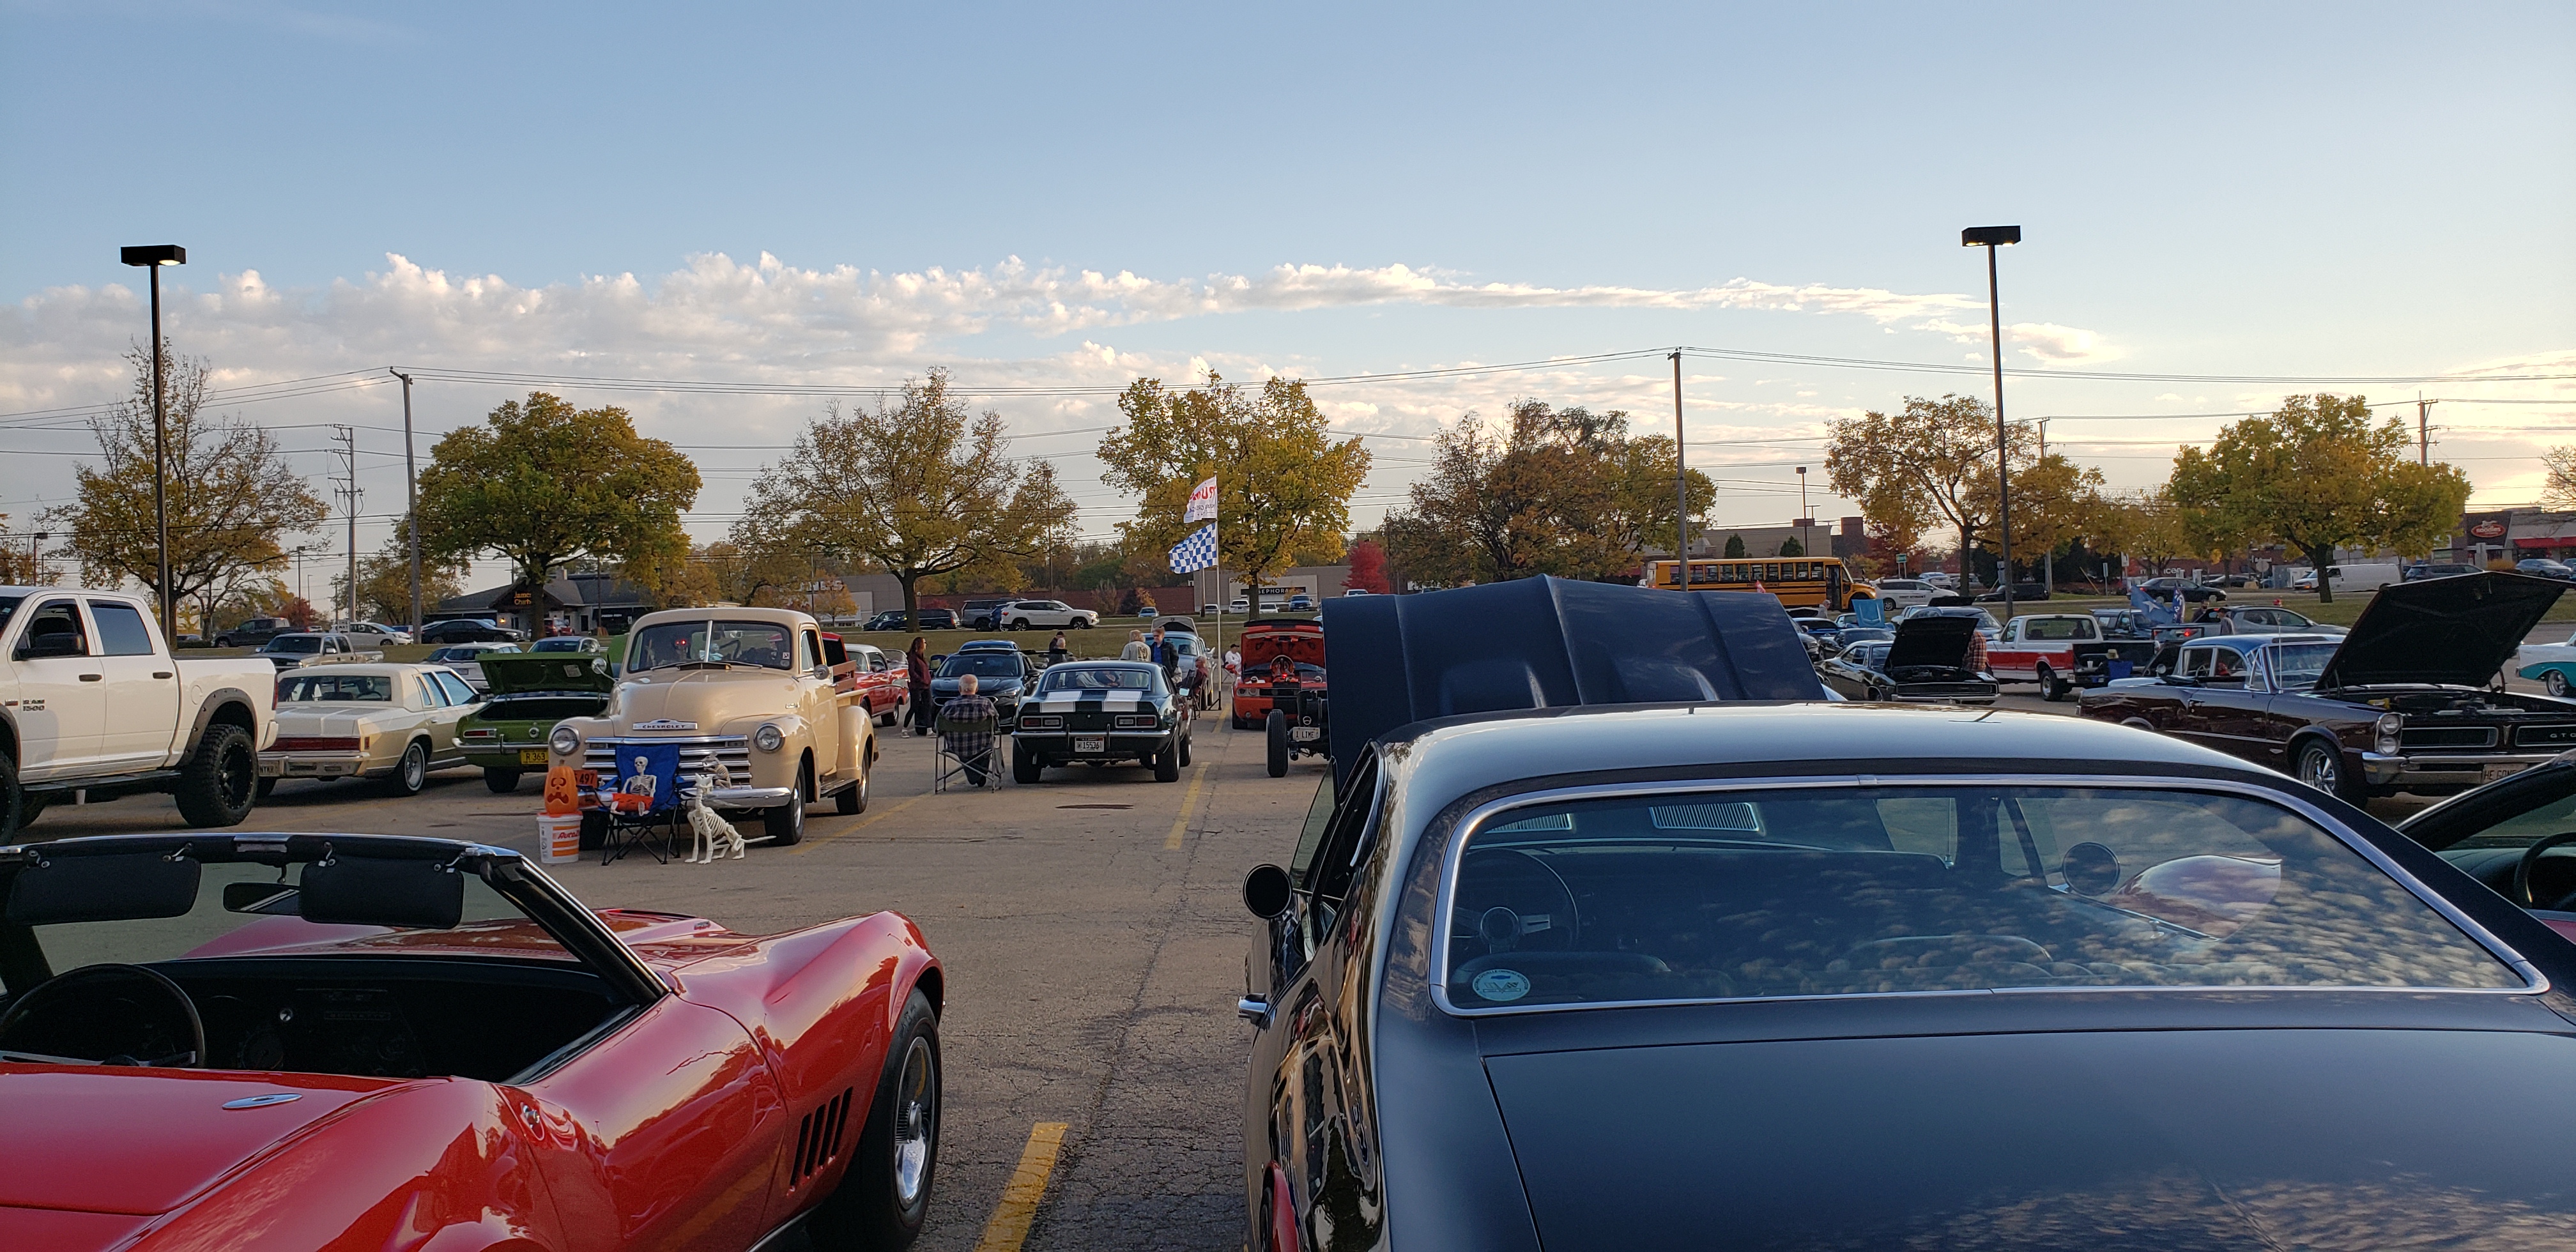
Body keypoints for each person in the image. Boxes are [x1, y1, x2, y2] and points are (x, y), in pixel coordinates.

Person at [940, 672, 997, 785]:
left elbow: (938, 727)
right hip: (982, 745)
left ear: (959, 689)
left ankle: (974, 775)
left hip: (956, 746)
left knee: (969, 752)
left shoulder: (949, 706)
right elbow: (996, 725)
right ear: (977, 689)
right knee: (987, 745)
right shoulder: (985, 704)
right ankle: (979, 774)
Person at [906, 636, 934, 736]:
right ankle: (905, 729)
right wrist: (920, 679)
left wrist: (928, 679)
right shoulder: (913, 657)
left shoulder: (922, 657)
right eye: (924, 643)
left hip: (926, 685)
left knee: (928, 706)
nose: (926, 645)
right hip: (917, 686)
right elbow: (912, 671)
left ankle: (929, 729)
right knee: (914, 707)